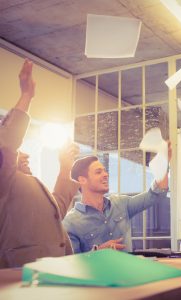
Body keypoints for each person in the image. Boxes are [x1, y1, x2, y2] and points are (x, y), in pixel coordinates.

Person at [0, 59, 80, 268]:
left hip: (52, 275)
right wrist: (26, 96)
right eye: (18, 153)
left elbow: (57, 209)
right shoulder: (4, 183)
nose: (24, 155)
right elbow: (6, 143)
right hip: (20, 278)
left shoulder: (28, 184)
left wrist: (65, 167)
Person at [62, 153, 170, 253]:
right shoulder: (70, 223)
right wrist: (98, 251)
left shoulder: (121, 203)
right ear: (82, 180)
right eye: (98, 172)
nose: (106, 174)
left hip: (128, 273)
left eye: (105, 171)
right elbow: (73, 264)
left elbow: (155, 195)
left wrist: (164, 164)